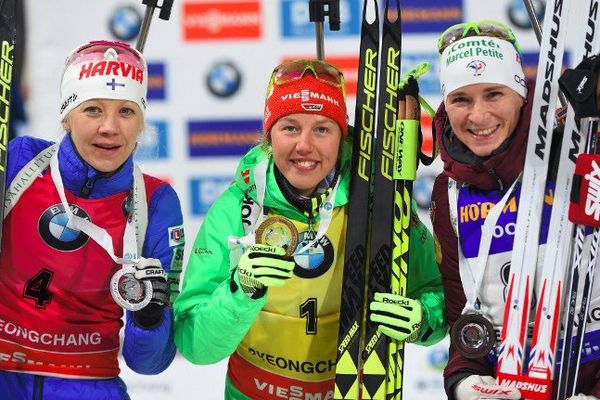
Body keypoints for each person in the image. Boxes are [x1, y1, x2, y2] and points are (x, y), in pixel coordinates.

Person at [173, 59, 447, 399]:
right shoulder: (238, 207)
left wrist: (422, 320)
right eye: (289, 127)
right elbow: (196, 346)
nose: (305, 145)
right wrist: (241, 291)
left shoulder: (379, 202)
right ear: (269, 136)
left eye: (322, 129)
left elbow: (439, 298)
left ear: (341, 137)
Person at [0, 40, 184, 399]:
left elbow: (150, 363)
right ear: (67, 116)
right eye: (94, 110)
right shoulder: (19, 161)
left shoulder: (155, 202)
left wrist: (150, 320)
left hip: (87, 385)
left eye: (126, 112)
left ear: (142, 122)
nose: (109, 128)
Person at [429, 20, 600, 400]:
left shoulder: (578, 153)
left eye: (494, 94)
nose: (478, 116)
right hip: (513, 384)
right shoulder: (449, 192)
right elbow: (464, 318)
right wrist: (465, 385)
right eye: (461, 99)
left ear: (522, 95)